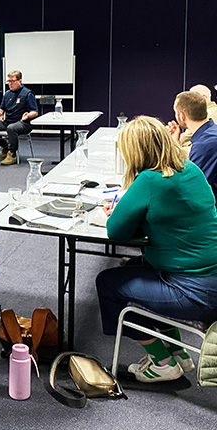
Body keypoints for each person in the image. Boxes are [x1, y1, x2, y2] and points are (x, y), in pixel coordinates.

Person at [96, 116, 217, 383]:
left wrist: (117, 214)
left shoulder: (149, 180)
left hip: (194, 292)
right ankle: (178, 351)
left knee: (107, 283)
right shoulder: (190, 168)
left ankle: (162, 362)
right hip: (209, 279)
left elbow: (116, 231)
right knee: (133, 269)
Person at [0, 70, 38, 165]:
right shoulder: (7, 94)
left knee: (11, 128)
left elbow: (35, 112)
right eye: (9, 81)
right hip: (8, 122)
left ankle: (12, 154)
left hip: (23, 123)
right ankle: (5, 146)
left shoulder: (27, 94)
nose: (10, 84)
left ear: (20, 81)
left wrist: (28, 115)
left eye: (12, 81)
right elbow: (2, 108)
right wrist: (0, 112)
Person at [170, 91, 217, 198]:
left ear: (182, 116)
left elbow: (192, 186)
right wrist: (176, 142)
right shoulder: (210, 134)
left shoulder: (204, 145)